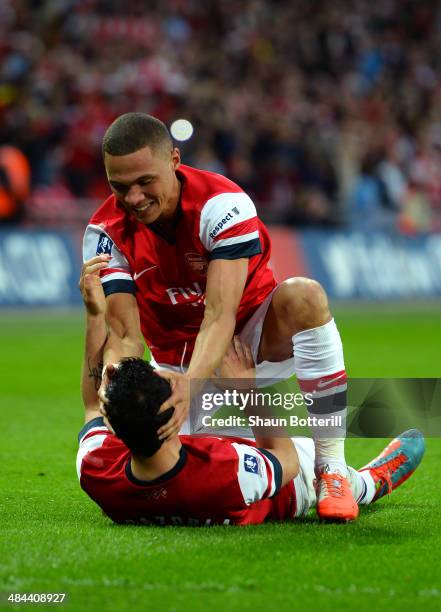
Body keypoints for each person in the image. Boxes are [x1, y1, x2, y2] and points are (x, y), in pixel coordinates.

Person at [82, 113, 353, 521]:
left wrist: (190, 388)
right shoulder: (104, 231)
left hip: (253, 335)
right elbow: (125, 336)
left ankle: (332, 468)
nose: (133, 198)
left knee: (305, 296)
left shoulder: (222, 206)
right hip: (176, 362)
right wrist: (117, 376)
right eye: (120, 187)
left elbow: (219, 315)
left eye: (144, 182)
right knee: (199, 484)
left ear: (174, 160)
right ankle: (368, 479)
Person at [77, 256, 425, 525]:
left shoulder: (97, 470)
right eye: (165, 377)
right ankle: (369, 481)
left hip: (182, 450)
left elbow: (94, 404)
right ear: (169, 418)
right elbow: (284, 458)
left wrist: (95, 316)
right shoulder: (225, 472)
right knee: (310, 464)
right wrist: (244, 388)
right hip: (281, 484)